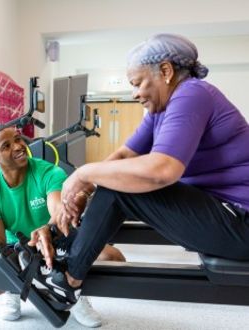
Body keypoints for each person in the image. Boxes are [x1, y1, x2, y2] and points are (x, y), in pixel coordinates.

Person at [28, 33, 249, 309]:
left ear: (166, 72)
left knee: (116, 186)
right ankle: (60, 243)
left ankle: (66, 282)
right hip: (223, 210)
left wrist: (84, 174)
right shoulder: (160, 111)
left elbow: (162, 170)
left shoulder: (192, 93)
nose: (134, 93)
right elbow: (123, 156)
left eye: (137, 83)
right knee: (113, 180)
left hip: (241, 221)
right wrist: (75, 199)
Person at [0, 125, 125, 327]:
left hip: (56, 242)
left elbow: (58, 213)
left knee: (114, 258)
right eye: (6, 145)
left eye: (18, 139)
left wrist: (48, 232)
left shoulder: (48, 172)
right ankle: (15, 289)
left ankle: (74, 293)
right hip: (17, 251)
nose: (19, 146)